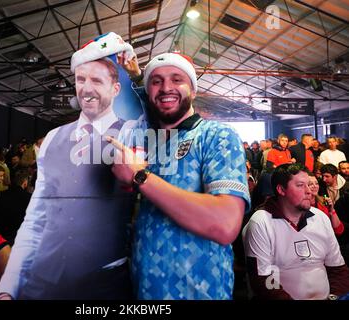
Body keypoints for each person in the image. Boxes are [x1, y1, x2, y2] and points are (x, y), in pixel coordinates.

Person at [0, 32, 138, 300]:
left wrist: (137, 76)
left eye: (97, 80)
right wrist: (8, 288)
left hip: (104, 283)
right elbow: (36, 218)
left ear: (115, 89)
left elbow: (163, 119)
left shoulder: (131, 133)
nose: (86, 88)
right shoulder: (52, 138)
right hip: (43, 282)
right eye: (80, 79)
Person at [109, 52, 250, 299]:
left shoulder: (216, 135)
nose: (166, 88)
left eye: (177, 79)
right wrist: (135, 75)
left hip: (200, 292)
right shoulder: (150, 141)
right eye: (157, 81)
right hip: (145, 292)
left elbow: (225, 224)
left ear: (193, 90)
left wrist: (140, 176)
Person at [242, 163, 349, 300]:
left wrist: (334, 297)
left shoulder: (320, 217)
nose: (309, 191)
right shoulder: (261, 222)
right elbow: (263, 280)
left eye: (309, 184)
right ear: (281, 190)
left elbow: (338, 269)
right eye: (300, 185)